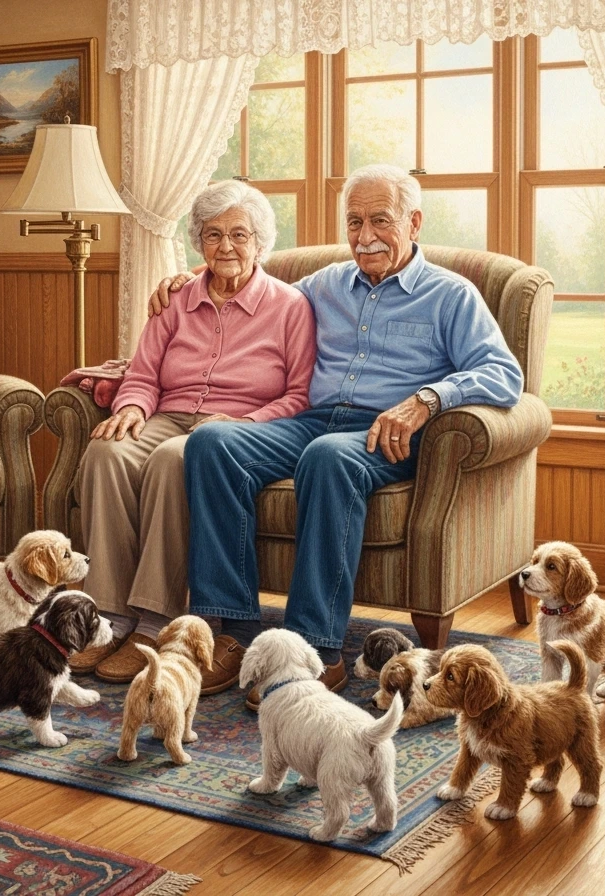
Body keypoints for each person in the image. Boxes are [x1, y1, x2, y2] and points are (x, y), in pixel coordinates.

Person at [149, 164, 523, 708]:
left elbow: (504, 375)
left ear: (414, 222)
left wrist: (425, 400)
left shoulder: (451, 295)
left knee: (328, 456)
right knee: (212, 441)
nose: (364, 236)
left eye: (380, 220)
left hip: (385, 433)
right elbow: (245, 275)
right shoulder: (321, 284)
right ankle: (229, 629)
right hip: (311, 419)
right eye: (353, 222)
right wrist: (189, 278)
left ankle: (312, 647)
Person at [72, 180, 316, 684]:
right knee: (105, 452)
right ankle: (108, 615)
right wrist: (134, 407)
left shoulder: (290, 306)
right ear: (198, 241)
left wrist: (246, 424)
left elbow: (299, 395)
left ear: (261, 242)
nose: (226, 246)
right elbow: (141, 372)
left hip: (235, 426)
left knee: (173, 459)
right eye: (213, 234)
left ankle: (156, 620)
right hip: (167, 411)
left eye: (239, 235)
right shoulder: (176, 298)